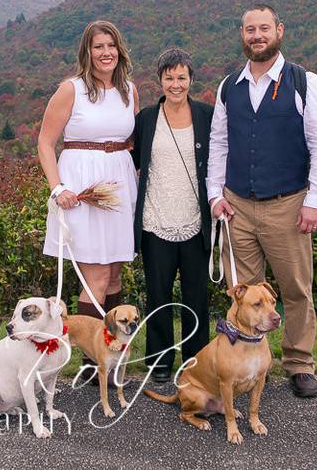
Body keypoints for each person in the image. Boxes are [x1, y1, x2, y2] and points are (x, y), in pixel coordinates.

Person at [206, 4, 317, 399]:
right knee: (243, 293)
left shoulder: (304, 82)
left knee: (296, 289)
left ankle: (299, 364)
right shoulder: (230, 86)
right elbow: (219, 144)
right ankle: (245, 365)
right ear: (242, 35)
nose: (257, 35)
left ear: (279, 31)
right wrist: (215, 195)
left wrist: (315, 200)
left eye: (264, 28)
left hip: (288, 203)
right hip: (237, 206)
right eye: (250, 30)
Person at [38, 20, 139, 376]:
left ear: (119, 50)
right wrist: (58, 187)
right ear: (87, 52)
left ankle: (110, 351)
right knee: (94, 277)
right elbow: (45, 143)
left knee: (114, 276)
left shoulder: (129, 90)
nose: (105, 53)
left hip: (120, 186)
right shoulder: (71, 89)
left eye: (111, 45)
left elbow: (133, 142)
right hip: (81, 190)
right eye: (98, 47)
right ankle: (89, 361)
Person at [131, 48, 214, 383]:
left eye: (181, 77)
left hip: (195, 220)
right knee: (158, 294)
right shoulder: (147, 118)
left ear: (191, 79)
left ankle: (196, 361)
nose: (175, 84)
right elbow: (133, 162)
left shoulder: (207, 115)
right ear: (160, 80)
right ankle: (160, 361)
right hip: (156, 219)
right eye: (169, 77)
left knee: (196, 296)